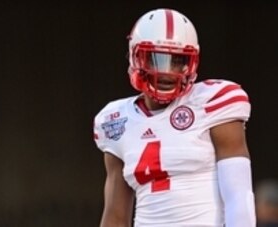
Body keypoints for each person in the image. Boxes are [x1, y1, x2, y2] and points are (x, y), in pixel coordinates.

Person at [93, 8, 256, 227]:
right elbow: (115, 216)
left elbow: (239, 196)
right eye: (155, 58)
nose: (168, 71)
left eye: (178, 60)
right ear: (134, 56)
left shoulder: (212, 101)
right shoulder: (115, 120)